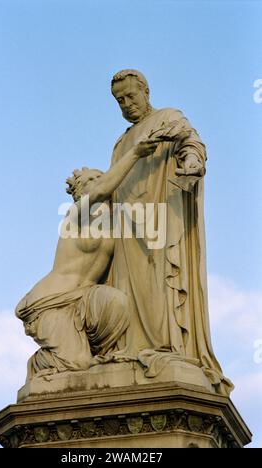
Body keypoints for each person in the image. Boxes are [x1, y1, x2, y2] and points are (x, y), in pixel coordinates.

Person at [108, 69, 233, 395]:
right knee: (125, 291)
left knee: (161, 285)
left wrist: (193, 161)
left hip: (161, 219)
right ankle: (130, 350)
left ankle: (166, 348)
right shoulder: (121, 143)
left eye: (130, 97)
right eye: (119, 100)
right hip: (126, 229)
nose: (125, 104)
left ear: (146, 91)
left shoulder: (167, 117)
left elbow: (191, 142)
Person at [15, 136, 160, 381]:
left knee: (118, 302)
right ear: (79, 192)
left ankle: (88, 349)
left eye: (100, 177)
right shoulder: (76, 213)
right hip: (51, 302)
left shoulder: (115, 222)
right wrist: (135, 152)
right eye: (91, 180)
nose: (99, 182)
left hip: (86, 300)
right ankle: (42, 361)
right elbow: (104, 189)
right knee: (78, 365)